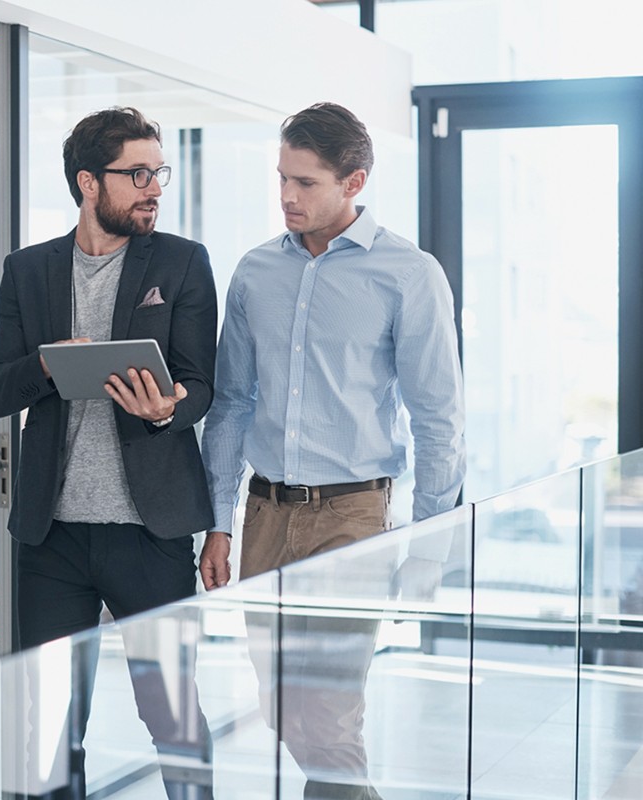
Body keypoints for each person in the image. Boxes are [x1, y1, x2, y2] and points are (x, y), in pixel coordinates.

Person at [199, 102, 466, 800]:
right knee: (282, 706)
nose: (287, 196)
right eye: (281, 178)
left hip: (352, 521)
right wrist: (219, 521)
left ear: (354, 182)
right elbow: (231, 403)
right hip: (265, 516)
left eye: (306, 182)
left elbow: (438, 417)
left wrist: (430, 549)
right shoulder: (256, 272)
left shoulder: (408, 274)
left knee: (331, 711)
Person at [0, 106, 217, 799]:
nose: (154, 187)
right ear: (89, 182)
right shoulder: (29, 271)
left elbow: (202, 382)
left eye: (158, 172)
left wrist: (169, 408)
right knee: (49, 727)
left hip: (151, 532)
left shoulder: (181, 262)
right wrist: (49, 367)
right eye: (137, 173)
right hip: (51, 539)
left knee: (172, 717)